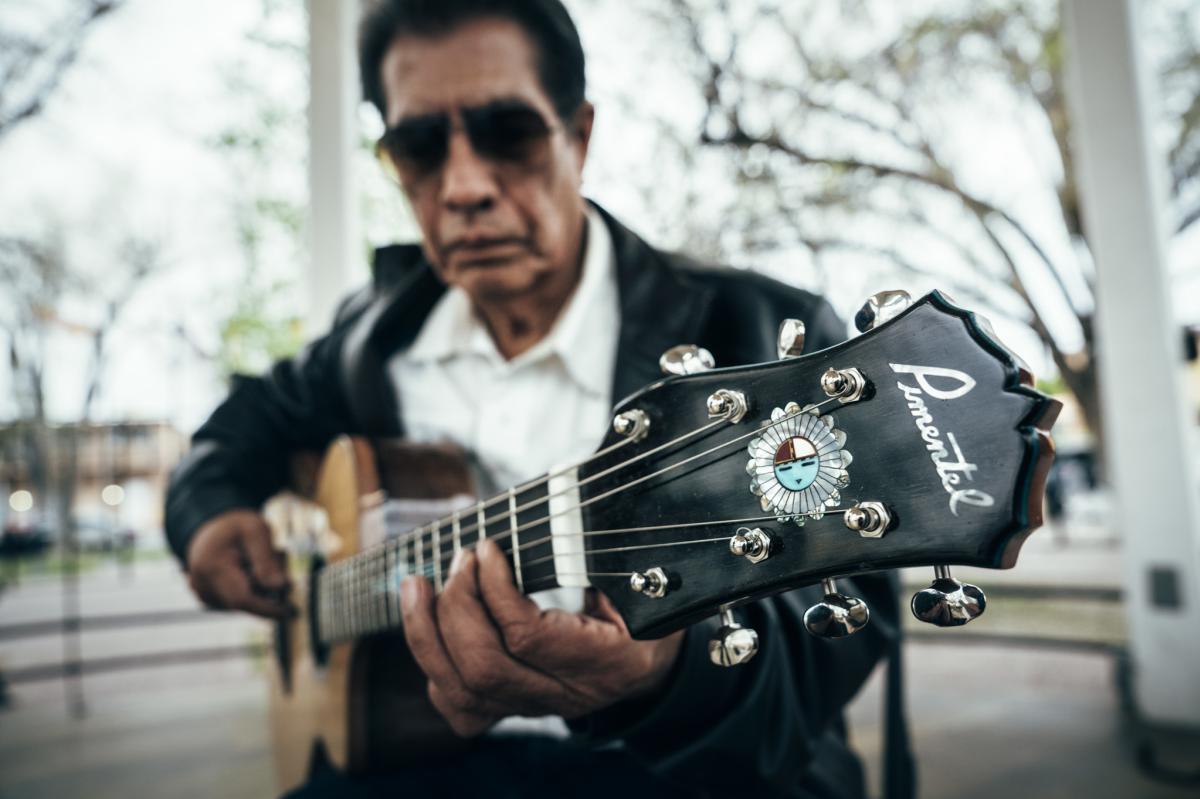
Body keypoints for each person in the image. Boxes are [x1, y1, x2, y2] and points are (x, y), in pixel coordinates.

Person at [165, 1, 911, 796]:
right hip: (405, 760)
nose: (463, 186)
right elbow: (237, 427)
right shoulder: (368, 339)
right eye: (419, 147)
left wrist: (666, 673)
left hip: (680, 766)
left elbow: (845, 620)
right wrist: (207, 513)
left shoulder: (761, 329)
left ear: (578, 136)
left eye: (507, 133)